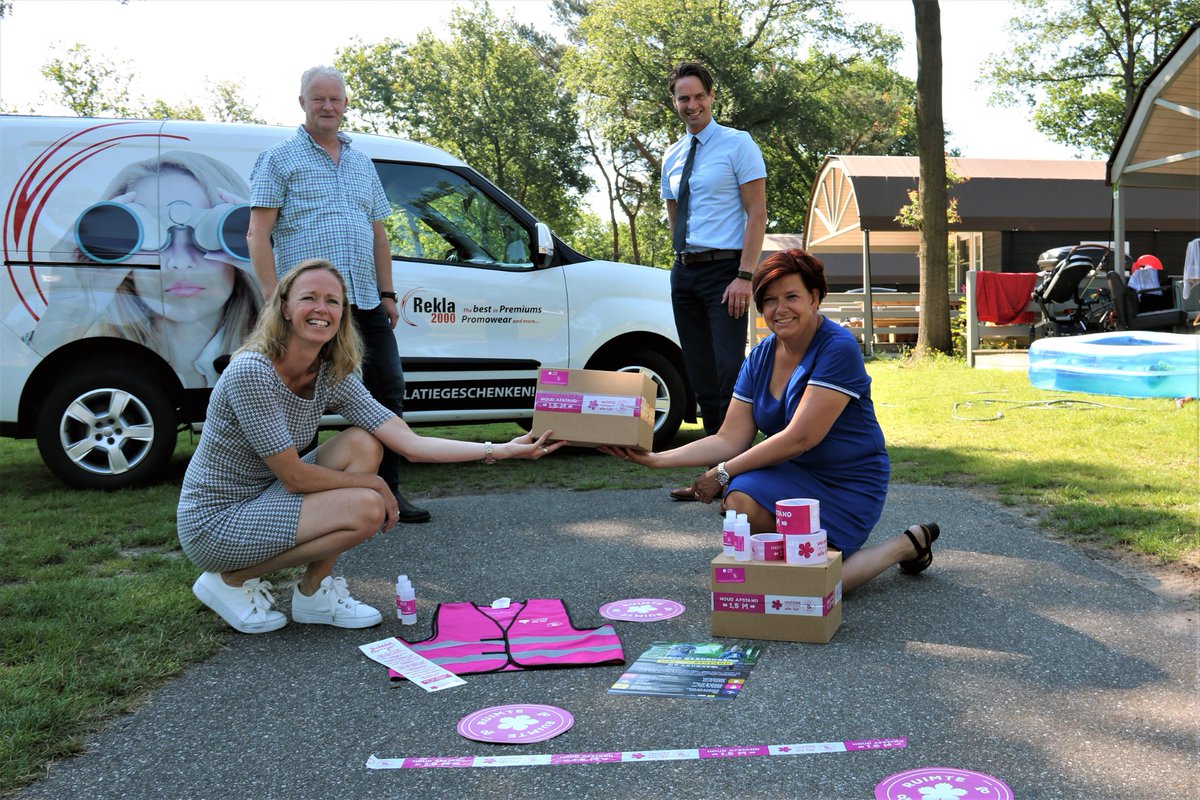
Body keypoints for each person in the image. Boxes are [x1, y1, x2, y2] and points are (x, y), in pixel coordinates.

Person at [178, 259, 562, 634]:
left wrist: (502, 449)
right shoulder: (253, 372)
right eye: (309, 297)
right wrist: (376, 485)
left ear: (342, 314)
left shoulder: (329, 373)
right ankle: (230, 580)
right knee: (367, 507)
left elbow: (410, 444)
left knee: (365, 443)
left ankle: (313, 593)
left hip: (265, 499)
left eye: (332, 301)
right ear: (285, 308)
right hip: (216, 523)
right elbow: (294, 477)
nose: (321, 308)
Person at [600, 248, 939, 593]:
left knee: (814, 586)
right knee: (740, 500)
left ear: (814, 298)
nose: (780, 309)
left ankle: (905, 545)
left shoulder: (837, 348)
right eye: (770, 300)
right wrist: (657, 459)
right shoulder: (760, 356)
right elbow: (730, 438)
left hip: (847, 480)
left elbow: (801, 438)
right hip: (791, 474)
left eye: (792, 296)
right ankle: (795, 565)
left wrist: (722, 472)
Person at [247, 65, 430, 524]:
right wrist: (274, 299)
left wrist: (387, 293)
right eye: (318, 98)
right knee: (296, 396)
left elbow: (379, 235)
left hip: (363, 300)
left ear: (346, 104)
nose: (327, 106)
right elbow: (257, 234)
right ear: (302, 103)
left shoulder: (361, 162)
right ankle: (294, 502)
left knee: (387, 390)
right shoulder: (278, 159)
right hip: (308, 308)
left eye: (335, 99)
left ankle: (388, 492)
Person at [28, 151, 261, 387]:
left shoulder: (274, 356)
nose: (179, 261)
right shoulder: (91, 353)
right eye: (150, 234)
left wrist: (272, 282)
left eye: (222, 231)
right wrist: (70, 314)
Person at [660, 61, 767, 501]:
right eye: (683, 98)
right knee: (701, 375)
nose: (692, 105)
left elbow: (757, 214)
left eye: (698, 96)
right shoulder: (671, 155)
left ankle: (741, 477)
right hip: (684, 273)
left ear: (711, 97)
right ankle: (710, 478)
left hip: (726, 274)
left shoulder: (737, 144)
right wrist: (681, 261)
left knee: (728, 373)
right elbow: (674, 215)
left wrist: (744, 275)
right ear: (674, 103)